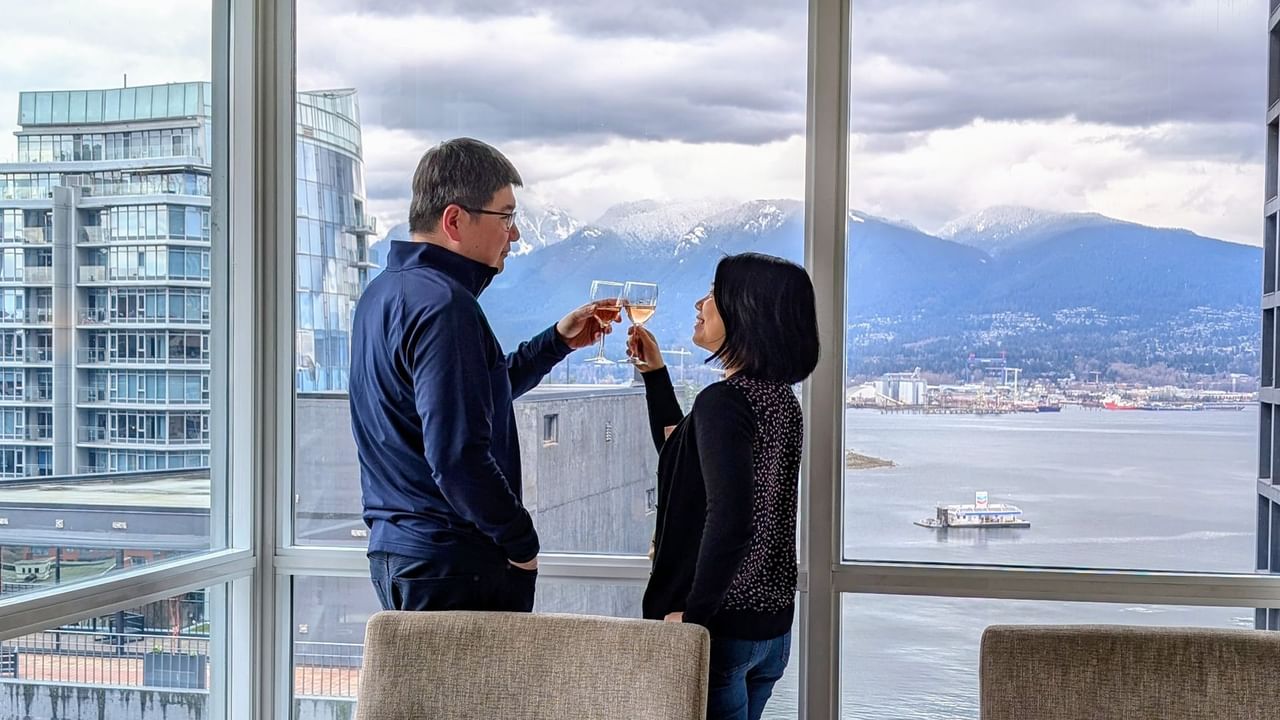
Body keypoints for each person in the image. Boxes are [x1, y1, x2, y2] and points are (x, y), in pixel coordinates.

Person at [349, 138, 615, 613]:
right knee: (482, 692)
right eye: (506, 217)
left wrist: (555, 342)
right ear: (454, 221)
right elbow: (456, 457)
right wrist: (521, 541)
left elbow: (472, 399)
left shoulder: (383, 294)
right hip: (456, 564)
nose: (514, 235)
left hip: (403, 554)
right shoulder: (446, 307)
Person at [627, 252, 819, 720]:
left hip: (720, 633)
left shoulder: (725, 401)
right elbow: (682, 456)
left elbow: (731, 522)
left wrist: (692, 622)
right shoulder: (779, 401)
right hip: (771, 633)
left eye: (713, 293)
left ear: (745, 310)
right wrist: (655, 376)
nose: (701, 302)